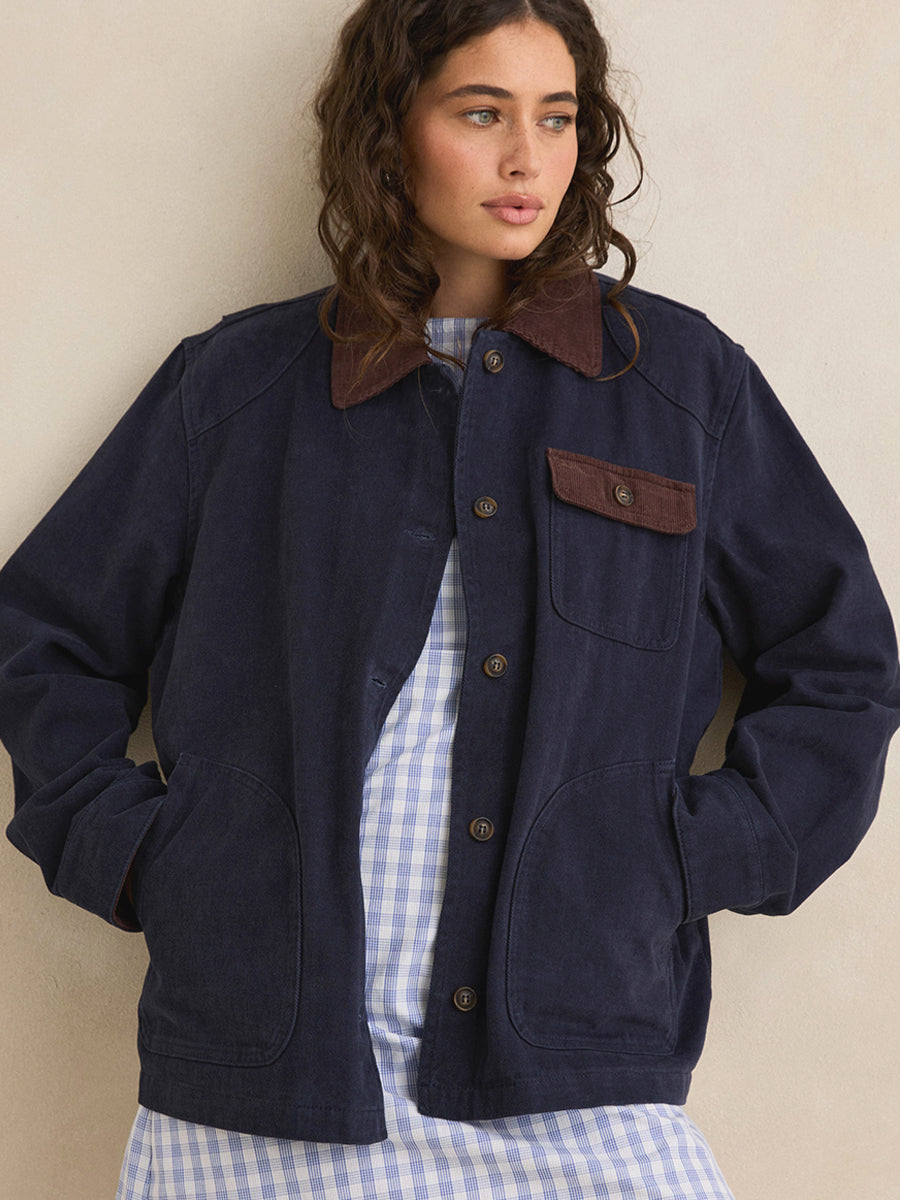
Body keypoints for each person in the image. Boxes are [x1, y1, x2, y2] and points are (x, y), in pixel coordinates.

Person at [1, 0, 897, 1196]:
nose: (528, 157)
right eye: (482, 114)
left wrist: (687, 858)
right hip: (258, 1087)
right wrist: (146, 859)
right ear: (390, 131)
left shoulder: (680, 389)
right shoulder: (238, 388)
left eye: (558, 118)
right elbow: (43, 637)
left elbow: (841, 666)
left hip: (576, 1073)